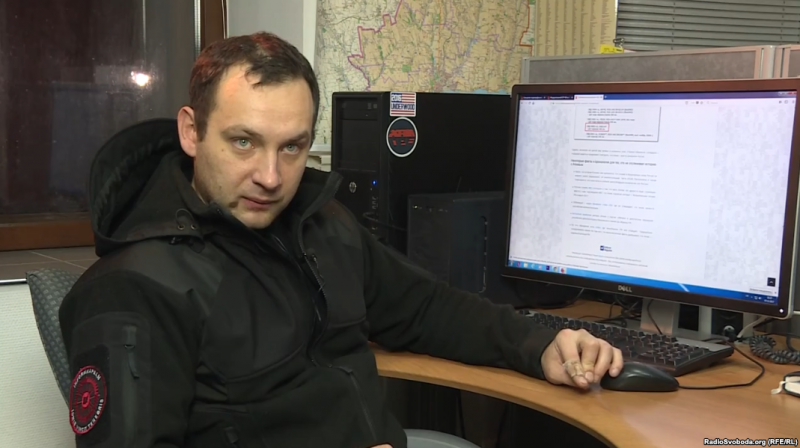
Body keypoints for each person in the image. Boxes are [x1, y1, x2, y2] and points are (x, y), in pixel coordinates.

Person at [59, 31, 623, 448]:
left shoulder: (320, 224)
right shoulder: (136, 285)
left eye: (292, 147)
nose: (271, 177)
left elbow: (424, 308)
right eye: (243, 142)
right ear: (191, 131)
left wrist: (537, 346)